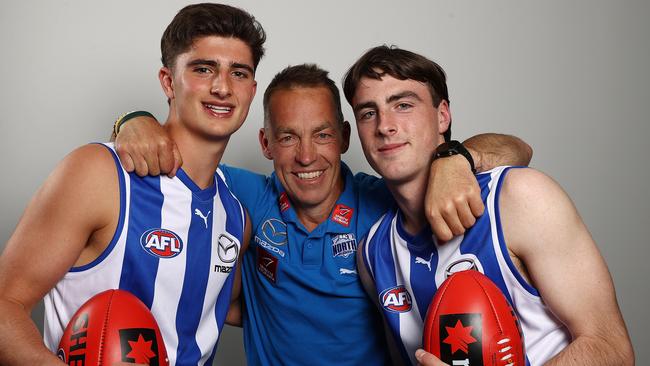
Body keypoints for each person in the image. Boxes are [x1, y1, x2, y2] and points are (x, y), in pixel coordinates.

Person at [114, 63, 532, 364]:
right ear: (265, 143)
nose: (307, 156)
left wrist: (453, 157)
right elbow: (161, 152)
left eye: (323, 135)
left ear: (345, 137)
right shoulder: (245, 196)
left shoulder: (387, 203)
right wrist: (133, 119)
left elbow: (517, 151)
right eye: (288, 137)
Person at [0, 3, 265, 365]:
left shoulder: (235, 217)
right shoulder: (100, 173)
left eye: (238, 73)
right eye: (203, 69)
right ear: (168, 81)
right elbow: (4, 303)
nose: (221, 87)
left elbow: (240, 308)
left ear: (251, 89)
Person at [344, 45, 634, 365]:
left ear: (443, 116)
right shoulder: (372, 253)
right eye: (368, 113)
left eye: (403, 104)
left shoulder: (518, 198)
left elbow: (611, 348)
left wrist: (456, 157)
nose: (385, 126)